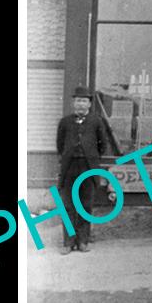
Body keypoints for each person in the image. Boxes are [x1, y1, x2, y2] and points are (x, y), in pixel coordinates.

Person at [56, 86, 109, 254]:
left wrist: (90, 157)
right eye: (78, 100)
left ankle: (83, 241)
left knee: (86, 204)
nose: (80, 104)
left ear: (89, 104)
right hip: (70, 167)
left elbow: (103, 145)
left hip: (88, 167)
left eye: (84, 101)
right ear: (73, 103)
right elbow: (60, 145)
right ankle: (68, 242)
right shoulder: (65, 122)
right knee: (68, 205)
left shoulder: (96, 121)